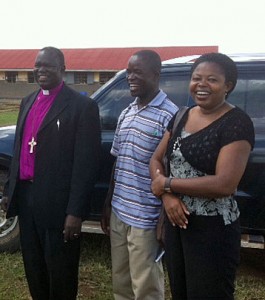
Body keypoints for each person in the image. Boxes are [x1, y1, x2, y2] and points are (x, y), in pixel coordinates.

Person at [150, 52, 255, 300]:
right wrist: (167, 196)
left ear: (228, 85)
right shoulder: (181, 116)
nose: (202, 85)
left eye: (212, 79)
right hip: (177, 224)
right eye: (197, 78)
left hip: (213, 230)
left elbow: (224, 184)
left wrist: (167, 183)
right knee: (181, 292)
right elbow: (156, 159)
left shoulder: (236, 123)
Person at [1, 46, 101, 300]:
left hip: (59, 203)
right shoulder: (27, 101)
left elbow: (85, 164)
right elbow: (20, 149)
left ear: (63, 70)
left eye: (48, 65)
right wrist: (9, 190)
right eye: (37, 65)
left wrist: (75, 212)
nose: (41, 70)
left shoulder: (82, 106)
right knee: (34, 266)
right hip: (27, 198)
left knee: (61, 270)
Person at [101, 49, 178, 300]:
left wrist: (163, 220)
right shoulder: (127, 112)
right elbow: (118, 163)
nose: (130, 77)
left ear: (156, 74)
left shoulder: (170, 116)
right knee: (121, 281)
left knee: (146, 286)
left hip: (146, 217)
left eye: (138, 72)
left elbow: (173, 174)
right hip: (120, 211)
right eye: (128, 72)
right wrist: (108, 204)